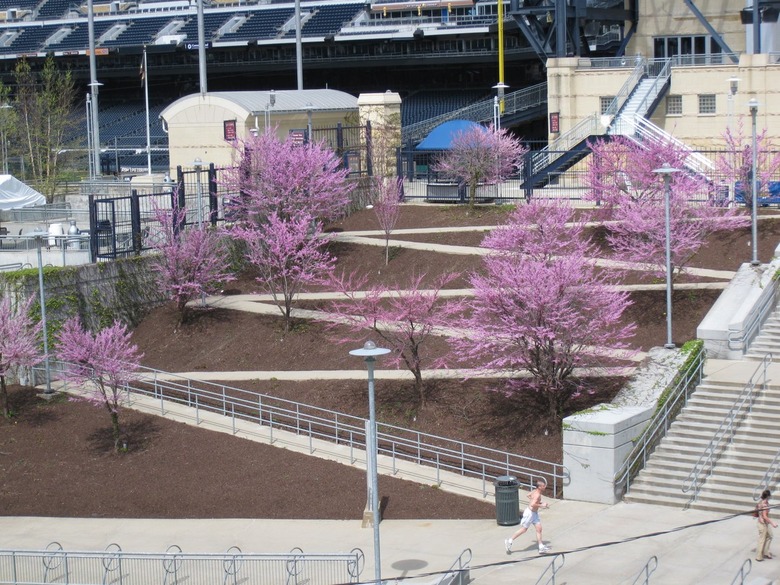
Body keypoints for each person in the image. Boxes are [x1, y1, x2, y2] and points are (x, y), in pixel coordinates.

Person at [504, 478, 551, 555]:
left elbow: (528, 495)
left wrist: (537, 502)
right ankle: (509, 541)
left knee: (539, 529)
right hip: (530, 514)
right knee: (524, 529)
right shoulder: (537, 494)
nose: (545, 486)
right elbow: (532, 504)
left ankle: (541, 547)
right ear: (539, 487)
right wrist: (541, 505)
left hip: (534, 514)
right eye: (543, 486)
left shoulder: (535, 491)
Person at [756, 489, 778, 562]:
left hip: (765, 523)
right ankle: (759, 556)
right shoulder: (764, 504)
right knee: (762, 539)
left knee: (770, 535)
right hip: (762, 524)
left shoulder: (762, 501)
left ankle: (765, 551)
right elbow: (765, 516)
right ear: (768, 496)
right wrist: (773, 523)